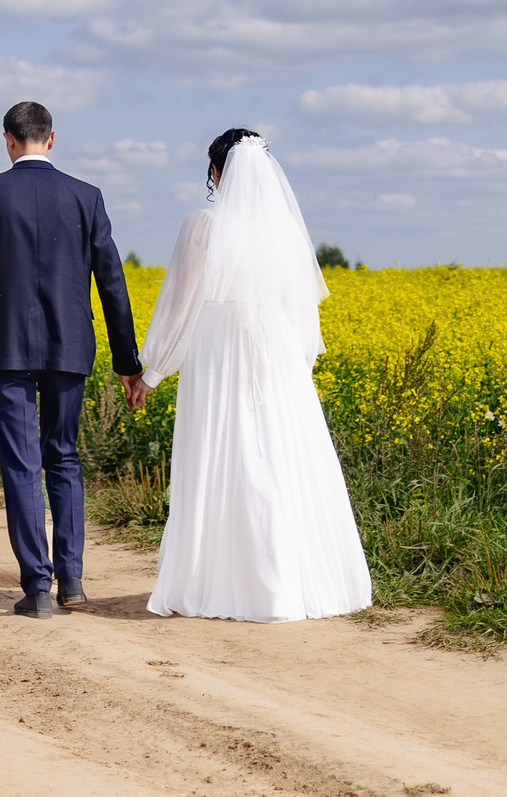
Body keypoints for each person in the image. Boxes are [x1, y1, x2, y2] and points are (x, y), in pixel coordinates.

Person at [138, 129, 372, 621]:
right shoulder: (284, 229)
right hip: (278, 348)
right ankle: (297, 583)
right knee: (280, 454)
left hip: (221, 346)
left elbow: (179, 306)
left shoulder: (203, 223)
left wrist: (152, 371)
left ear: (217, 173)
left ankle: (232, 583)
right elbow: (301, 307)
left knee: (228, 452)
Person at [0, 100, 149, 618]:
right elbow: (112, 284)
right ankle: (74, 581)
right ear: (51, 139)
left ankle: (37, 588)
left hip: (3, 350)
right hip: (69, 348)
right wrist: (129, 362)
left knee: (21, 463)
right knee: (63, 456)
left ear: (8, 140)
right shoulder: (86, 197)